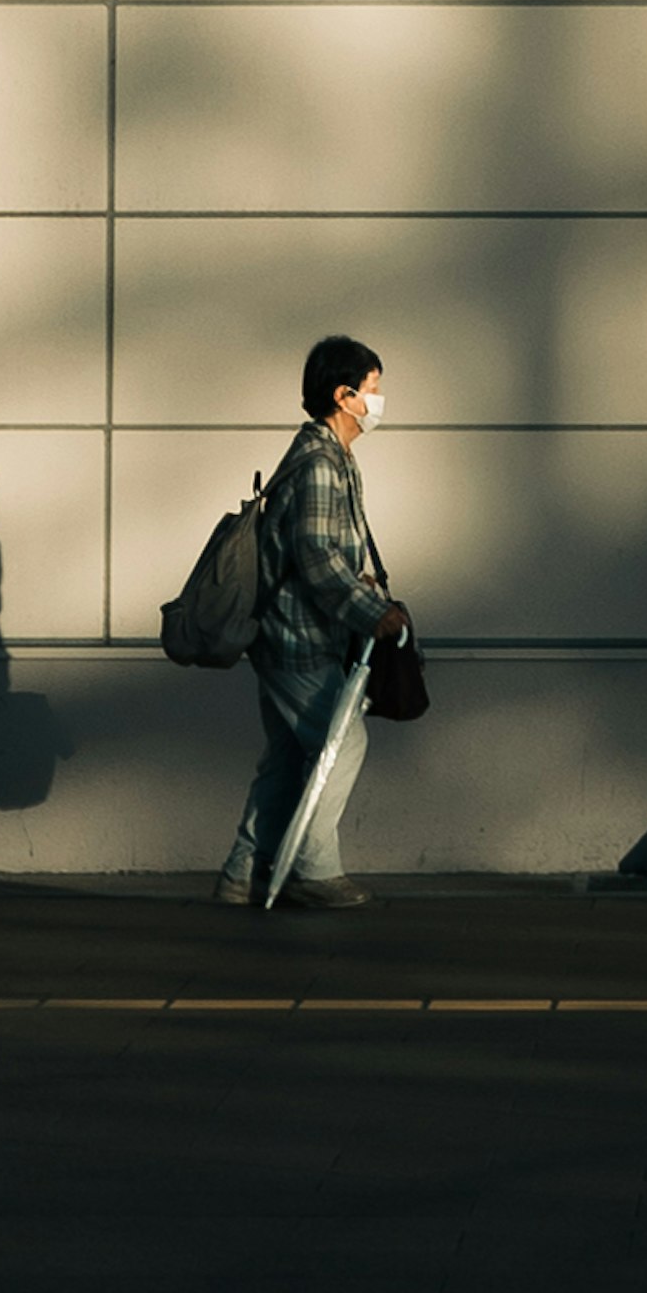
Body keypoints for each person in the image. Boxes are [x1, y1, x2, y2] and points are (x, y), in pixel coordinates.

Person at [216, 334, 405, 914]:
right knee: (343, 740)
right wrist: (375, 613)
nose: (379, 401)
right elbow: (318, 560)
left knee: (288, 757)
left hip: (286, 634)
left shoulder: (327, 456)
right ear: (343, 395)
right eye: (372, 390)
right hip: (295, 639)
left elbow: (320, 554)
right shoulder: (321, 463)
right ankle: (312, 869)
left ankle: (243, 872)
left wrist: (361, 585)